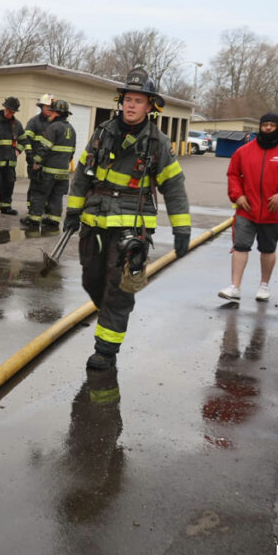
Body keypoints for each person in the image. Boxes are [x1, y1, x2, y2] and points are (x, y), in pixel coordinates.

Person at [64, 67, 191, 371]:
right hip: (94, 224)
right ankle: (108, 316)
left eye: (139, 100)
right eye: (128, 99)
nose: (132, 105)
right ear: (121, 101)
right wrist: (72, 211)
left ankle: (106, 351)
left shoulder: (157, 143)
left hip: (132, 229)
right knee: (92, 281)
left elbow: (173, 187)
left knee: (120, 291)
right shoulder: (103, 132)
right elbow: (82, 174)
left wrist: (182, 229)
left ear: (150, 107)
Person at [218, 112, 278, 303]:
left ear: (277, 127)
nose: (267, 128)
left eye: (271, 125)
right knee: (241, 246)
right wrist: (238, 195)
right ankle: (235, 287)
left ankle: (264, 286)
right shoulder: (244, 151)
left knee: (267, 249)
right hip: (246, 210)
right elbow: (233, 175)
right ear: (260, 127)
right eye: (264, 124)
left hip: (271, 212)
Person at [27, 98, 76, 230]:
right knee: (56, 196)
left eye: (52, 112)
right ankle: (54, 220)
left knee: (39, 194)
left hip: (48, 171)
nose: (50, 114)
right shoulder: (71, 129)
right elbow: (72, 152)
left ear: (58, 113)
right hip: (63, 173)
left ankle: (34, 220)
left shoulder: (53, 127)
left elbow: (44, 147)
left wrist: (36, 162)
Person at [0, 96, 25, 215]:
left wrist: (18, 150)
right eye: (8, 111)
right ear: (5, 108)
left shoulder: (17, 124)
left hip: (10, 162)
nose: (9, 113)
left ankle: (6, 207)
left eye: (12, 112)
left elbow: (23, 139)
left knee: (8, 185)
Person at [22, 93, 54, 226]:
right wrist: (29, 154)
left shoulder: (54, 123)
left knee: (46, 185)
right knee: (35, 184)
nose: (49, 109)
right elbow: (27, 138)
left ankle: (43, 207)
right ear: (41, 107)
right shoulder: (34, 122)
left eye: (51, 107)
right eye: (47, 107)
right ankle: (32, 207)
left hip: (48, 161)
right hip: (34, 159)